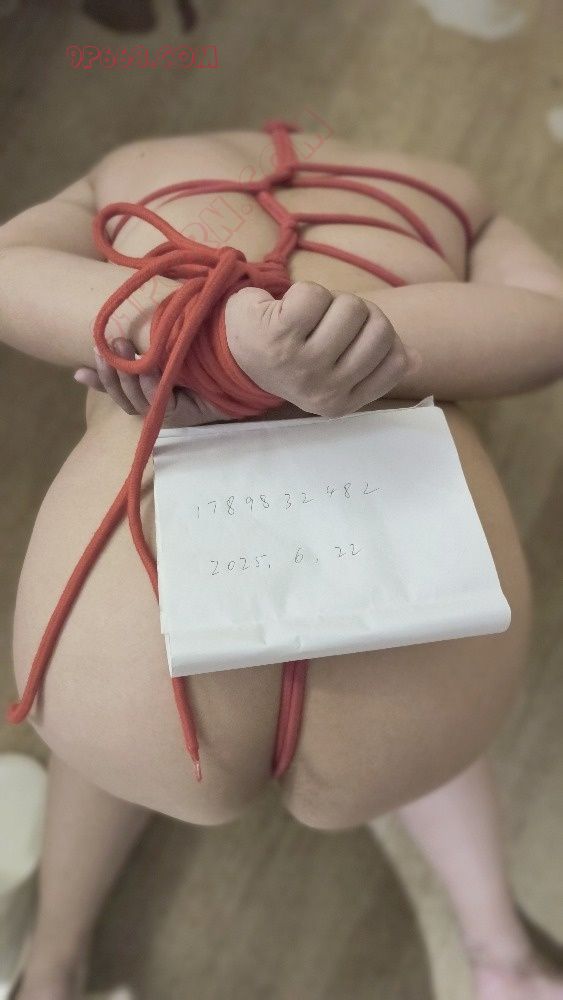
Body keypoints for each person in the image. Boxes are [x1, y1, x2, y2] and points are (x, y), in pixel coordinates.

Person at [1, 119, 562, 1000]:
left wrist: (189, 334)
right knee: (436, 755)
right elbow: (547, 321)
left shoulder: (130, 163)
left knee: (100, 753)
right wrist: (366, 343)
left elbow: (10, 269)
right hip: (411, 581)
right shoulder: (445, 185)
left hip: (137, 601)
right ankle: (505, 957)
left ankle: (51, 969)